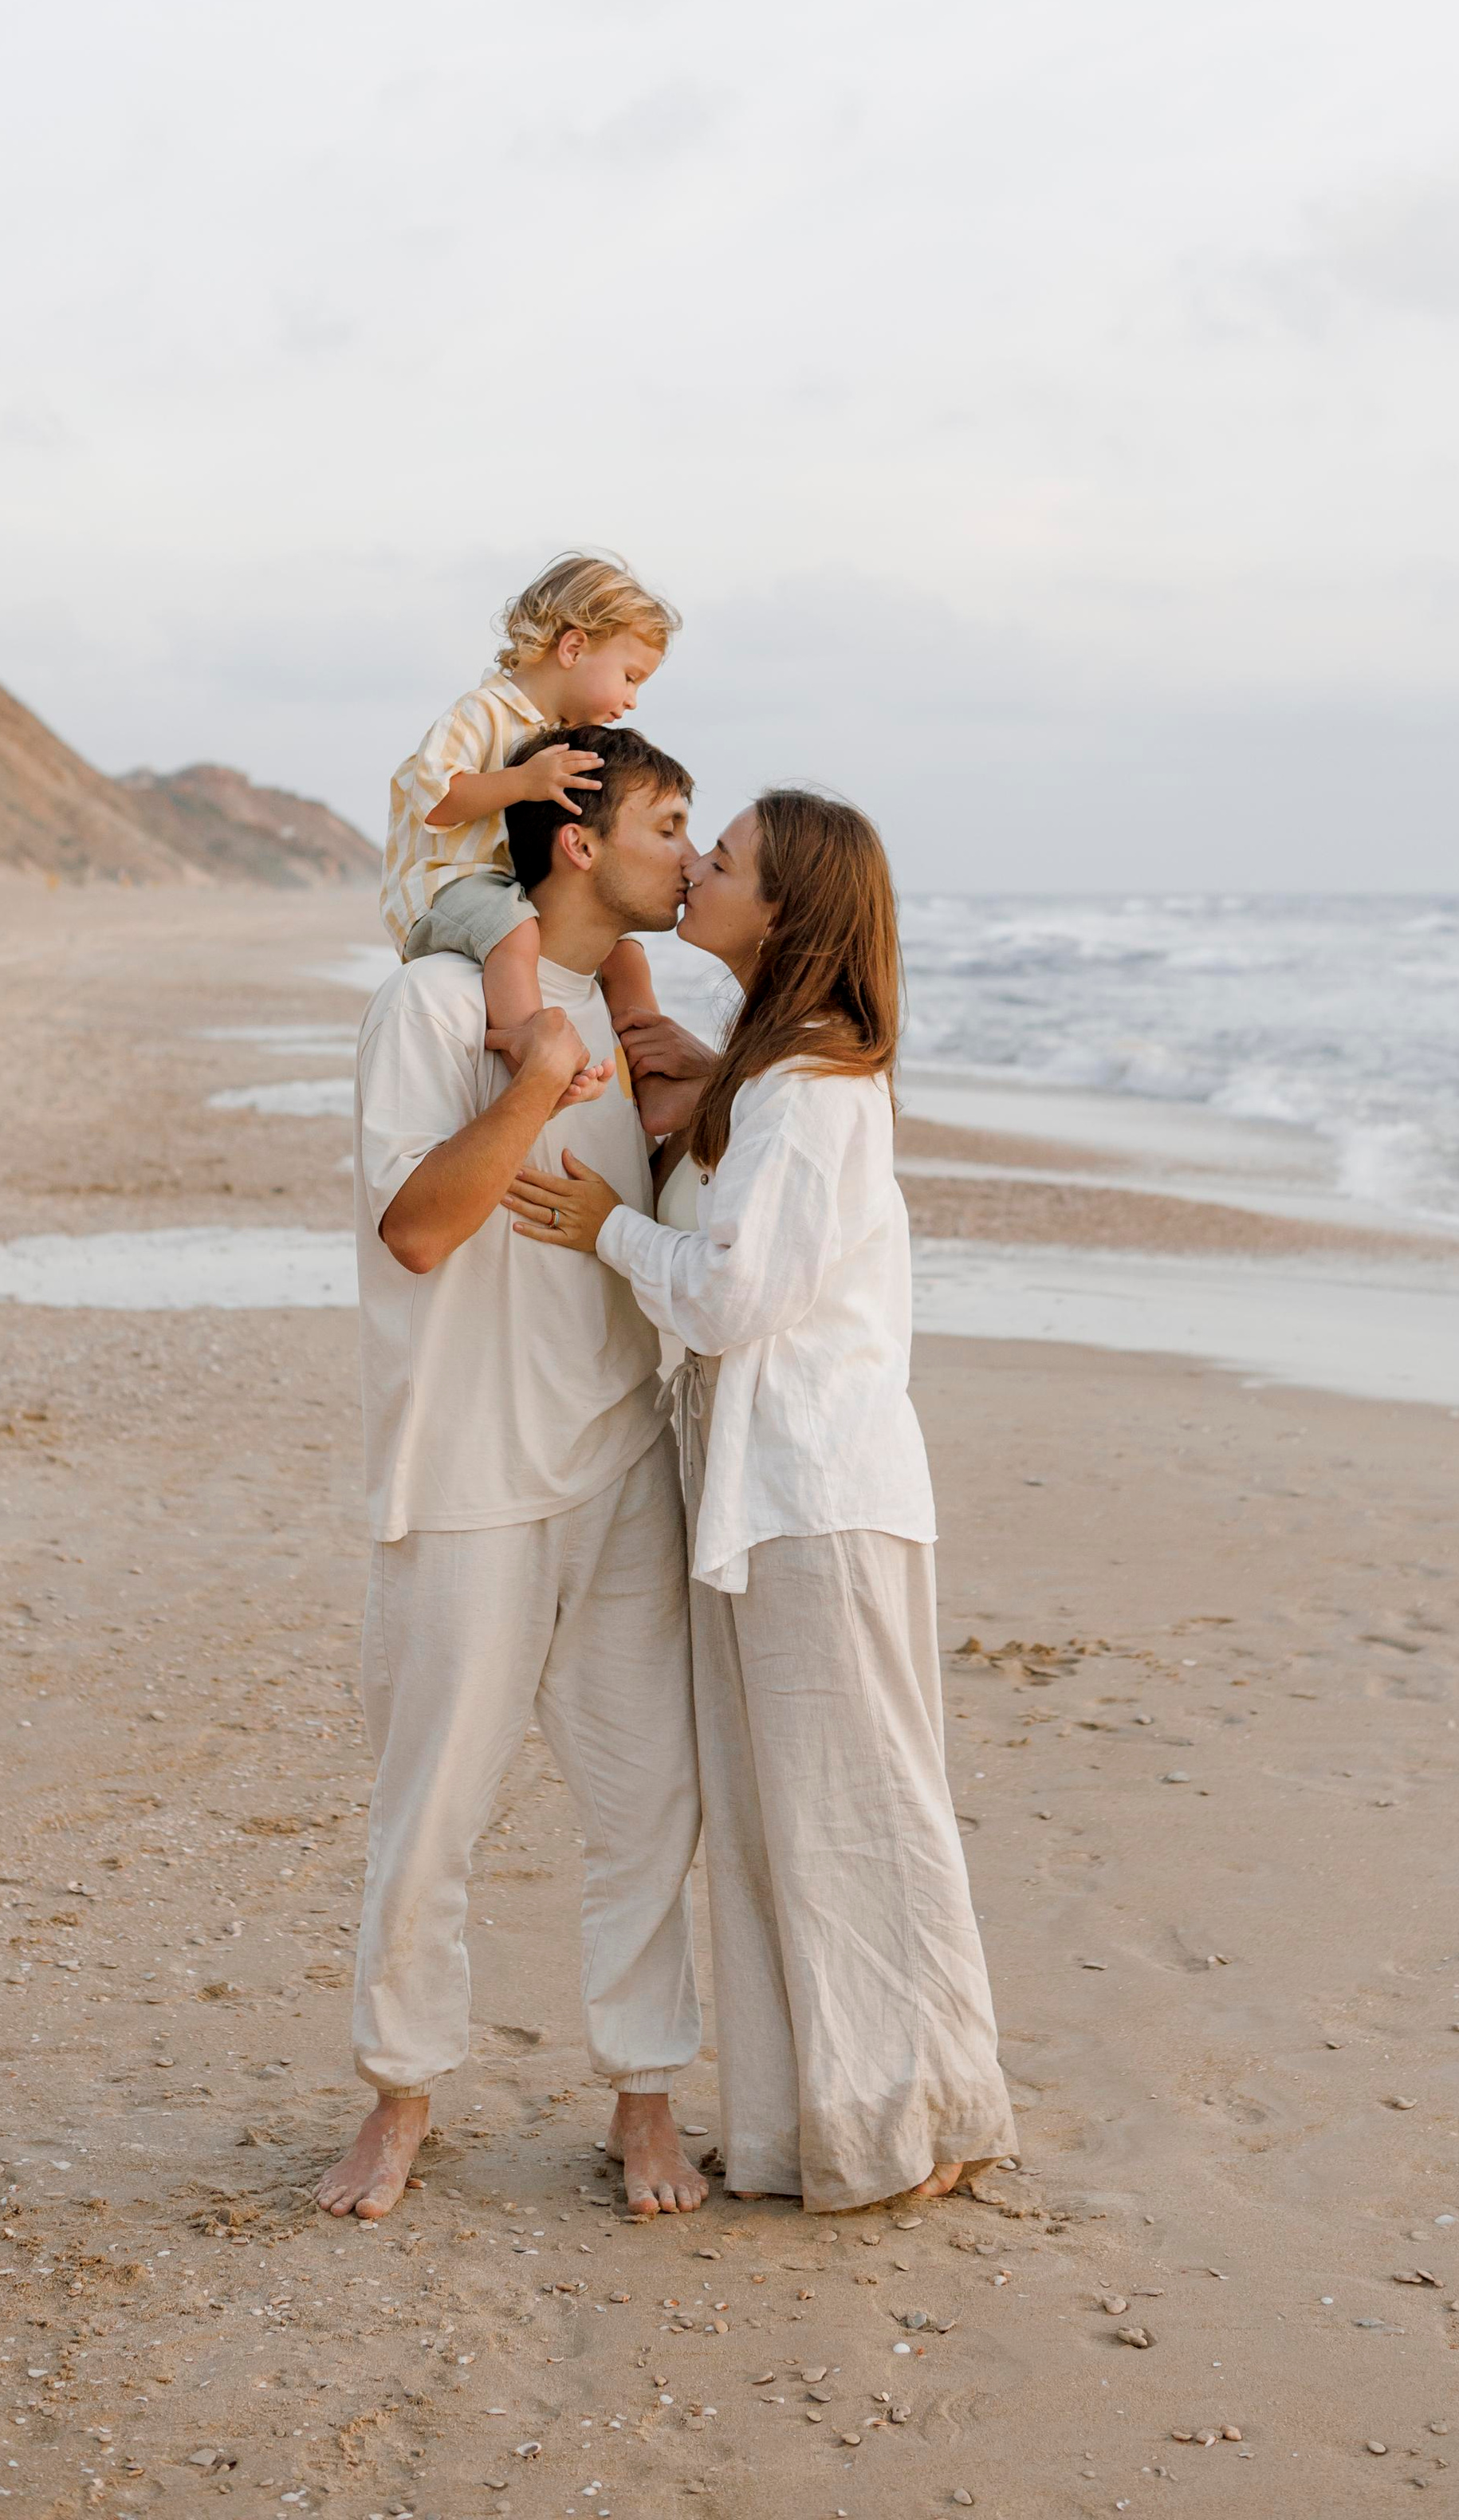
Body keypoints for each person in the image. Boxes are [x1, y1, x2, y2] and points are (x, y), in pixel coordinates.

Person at [503, 791, 1017, 2211]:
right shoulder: (775, 1070)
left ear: (783, 911)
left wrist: (606, 1229)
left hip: (816, 1498)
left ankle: (916, 2124)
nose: (696, 871)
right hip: (773, 1497)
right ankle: (827, 2127)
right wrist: (694, 1080)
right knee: (789, 1820)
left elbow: (736, 1298)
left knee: (859, 1818)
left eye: (722, 861)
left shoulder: (810, 1086)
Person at [317, 722, 710, 2223]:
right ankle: (401, 2096)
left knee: (650, 1801)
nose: (691, 856)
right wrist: (538, 1079)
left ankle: (645, 2099)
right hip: (467, 1470)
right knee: (432, 1811)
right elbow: (419, 1229)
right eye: (671, 827)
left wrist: (696, 1098)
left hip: (619, 1454)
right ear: (581, 842)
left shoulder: (634, 1020)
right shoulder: (432, 1006)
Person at [378, 553, 680, 1104]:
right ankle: (528, 1049)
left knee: (624, 952)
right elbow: (438, 801)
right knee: (515, 931)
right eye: (630, 677)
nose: (632, 700)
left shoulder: (558, 732)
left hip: (508, 888)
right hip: (448, 883)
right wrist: (523, 781)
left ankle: (652, 1078)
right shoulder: (482, 712)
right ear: (574, 648)